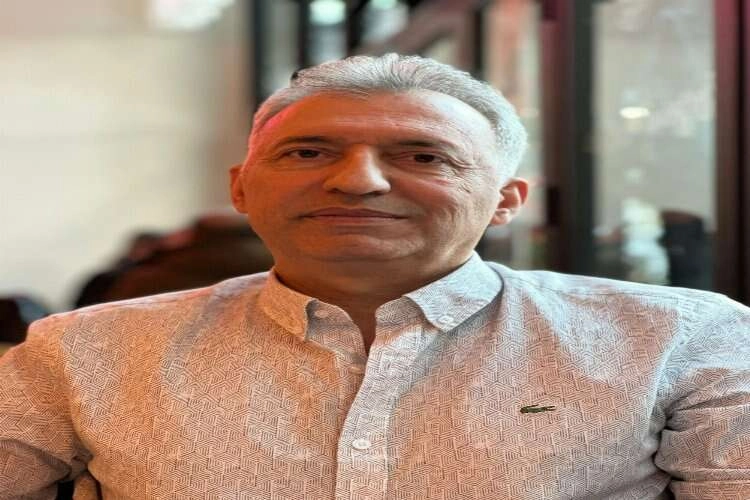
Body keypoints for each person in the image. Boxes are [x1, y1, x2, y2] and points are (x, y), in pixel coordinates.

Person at [0, 53, 748, 500]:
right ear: (241, 188)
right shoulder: (83, 352)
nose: (358, 182)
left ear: (506, 201)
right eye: (307, 152)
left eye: (423, 156)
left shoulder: (680, 339)